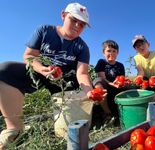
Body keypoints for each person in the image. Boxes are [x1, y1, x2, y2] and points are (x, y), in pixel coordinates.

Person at [0, 3, 104, 148]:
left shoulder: (82, 47)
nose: (77, 26)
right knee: (5, 70)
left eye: (82, 24)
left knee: (78, 103)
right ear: (63, 15)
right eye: (73, 20)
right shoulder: (44, 31)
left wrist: (90, 92)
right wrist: (41, 69)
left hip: (66, 83)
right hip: (40, 73)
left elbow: (82, 73)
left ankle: (84, 117)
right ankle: (14, 129)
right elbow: (29, 56)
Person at [93, 40, 126, 123]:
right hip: (106, 87)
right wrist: (112, 83)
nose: (111, 53)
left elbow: (121, 78)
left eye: (114, 51)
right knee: (98, 81)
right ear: (103, 52)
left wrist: (122, 82)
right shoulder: (101, 62)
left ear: (117, 53)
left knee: (129, 86)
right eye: (108, 51)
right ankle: (107, 113)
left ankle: (124, 109)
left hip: (116, 88)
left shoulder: (120, 65)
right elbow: (102, 77)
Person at [132, 35, 155, 104]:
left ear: (148, 45)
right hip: (146, 79)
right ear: (136, 50)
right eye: (137, 46)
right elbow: (141, 71)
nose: (141, 47)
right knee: (145, 91)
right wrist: (139, 78)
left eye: (142, 44)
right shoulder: (136, 58)